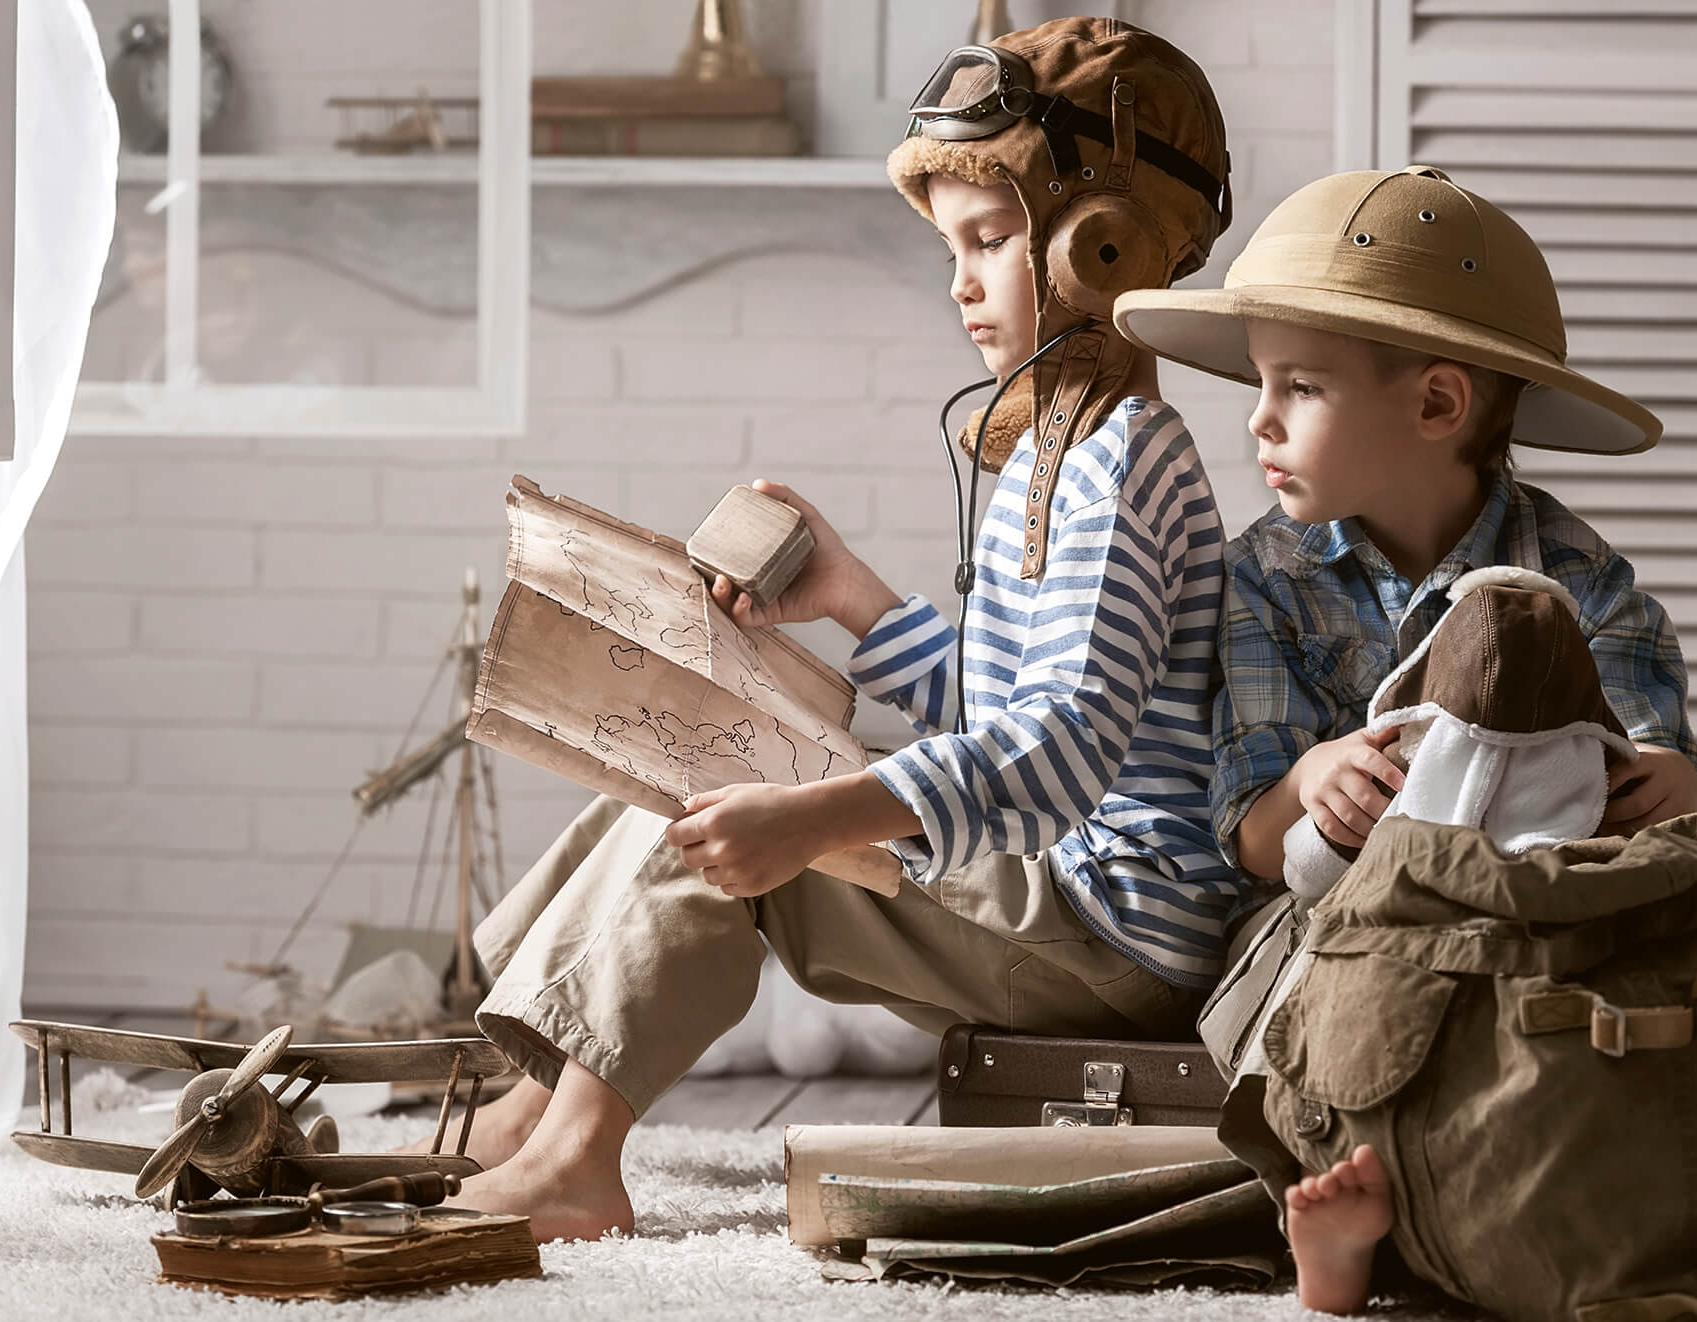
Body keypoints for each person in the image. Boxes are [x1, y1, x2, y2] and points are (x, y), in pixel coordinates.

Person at [419, 18, 1238, 1242]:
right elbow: (1010, 707)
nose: (959, 279)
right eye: (949, 247)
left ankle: (572, 1160)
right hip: (1062, 894)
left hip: (1107, 930)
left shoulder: (1118, 459)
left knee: (713, 800)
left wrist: (815, 813)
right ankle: (532, 1114)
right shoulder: (1048, 449)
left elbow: (1060, 749)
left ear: (1102, 249)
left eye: (991, 239)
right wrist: (853, 596)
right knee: (666, 773)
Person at [1113, 164, 1697, 1311]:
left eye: (1296, 386)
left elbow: (1665, 793)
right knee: (1304, 1016)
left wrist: (1667, 778)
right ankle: (1352, 1231)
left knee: (1681, 980)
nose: (1255, 418)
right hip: (1368, 927)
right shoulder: (1266, 579)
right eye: (1259, 383)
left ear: (1437, 405)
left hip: (1549, 921)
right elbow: (1252, 839)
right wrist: (1307, 777)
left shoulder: (1582, 581)